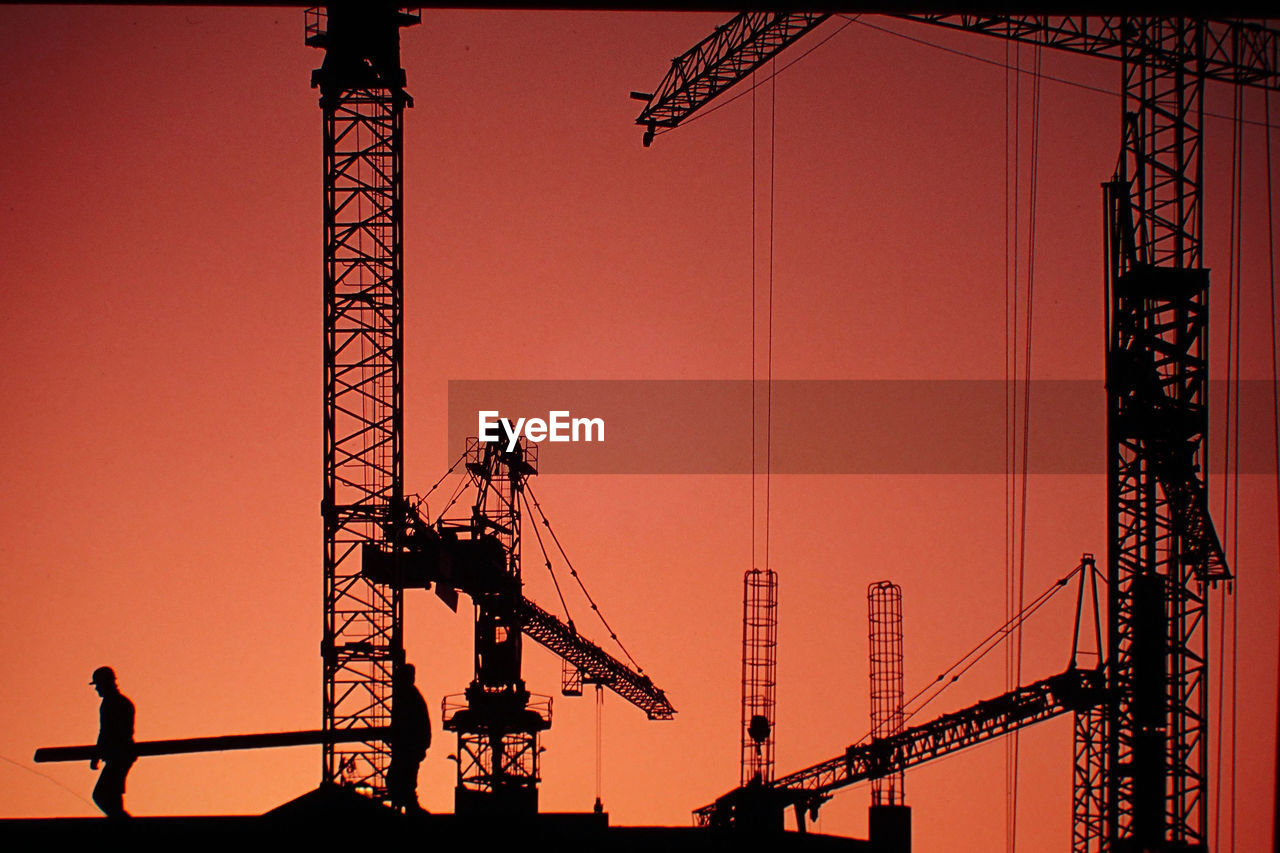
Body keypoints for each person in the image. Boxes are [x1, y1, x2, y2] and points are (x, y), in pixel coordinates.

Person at [89, 666, 136, 818]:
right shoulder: (121, 702)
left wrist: (97, 754)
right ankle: (119, 821)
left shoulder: (113, 704)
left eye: (98, 685)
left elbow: (107, 732)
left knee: (101, 794)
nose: (96, 689)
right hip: (121, 755)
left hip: (120, 756)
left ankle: (121, 822)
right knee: (112, 793)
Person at [388, 663, 430, 813]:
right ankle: (405, 805)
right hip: (411, 745)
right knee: (401, 778)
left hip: (409, 746)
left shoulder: (407, 696)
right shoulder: (411, 696)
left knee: (401, 777)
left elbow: (405, 722)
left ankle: (406, 806)